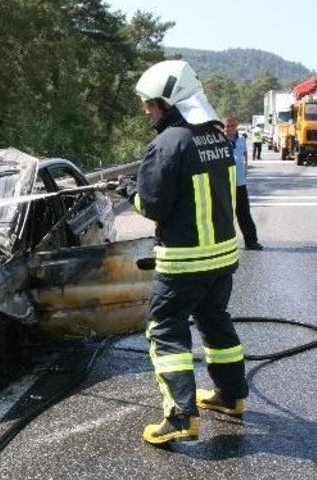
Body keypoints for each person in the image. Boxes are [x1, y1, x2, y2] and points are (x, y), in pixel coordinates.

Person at [119, 60, 248, 446]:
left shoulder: (167, 144)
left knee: (166, 332)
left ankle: (180, 417)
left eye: (152, 104)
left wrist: (128, 191)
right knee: (215, 324)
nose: (147, 112)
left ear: (171, 102)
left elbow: (153, 206)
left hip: (183, 263)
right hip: (221, 258)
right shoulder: (216, 137)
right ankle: (230, 395)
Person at [226, 116, 264, 250]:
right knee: (224, 215)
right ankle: (225, 244)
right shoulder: (220, 141)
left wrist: (245, 168)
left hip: (240, 184)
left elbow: (245, 155)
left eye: (232, 126)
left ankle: (251, 241)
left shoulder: (241, 140)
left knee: (244, 214)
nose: (229, 129)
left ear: (236, 126)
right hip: (225, 185)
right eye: (227, 126)